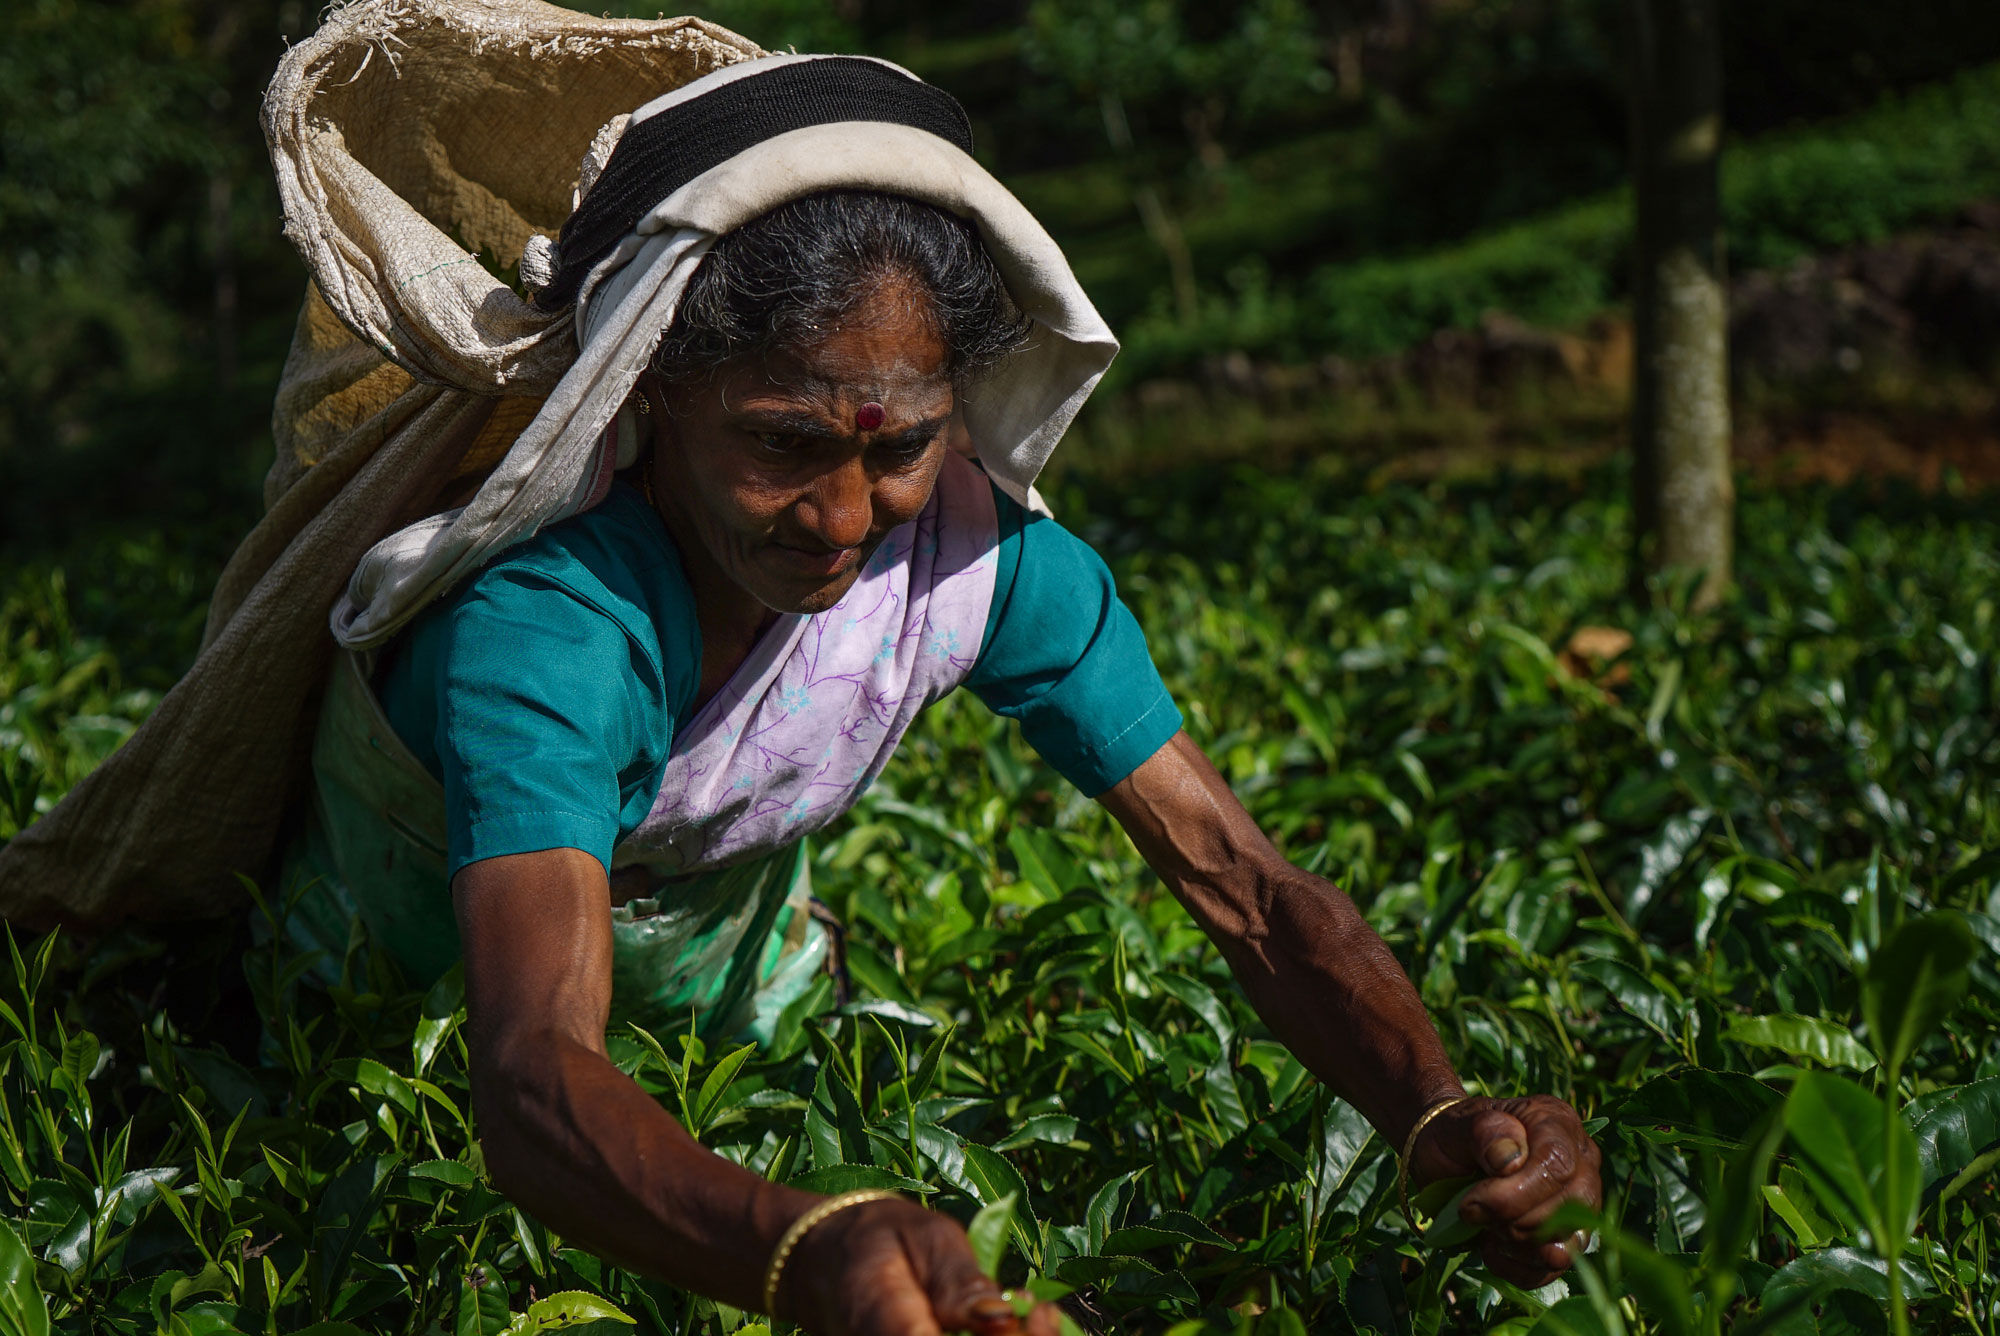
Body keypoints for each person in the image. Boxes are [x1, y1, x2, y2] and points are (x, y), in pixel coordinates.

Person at [286, 53, 1601, 1336]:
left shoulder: (981, 560)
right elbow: (525, 1083)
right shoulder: (556, 628)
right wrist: (805, 1250)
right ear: (658, 389)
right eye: (782, 442)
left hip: (734, 1006)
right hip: (379, 1026)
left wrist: (1431, 1107)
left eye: (902, 445)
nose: (842, 517)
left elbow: (1244, 885)